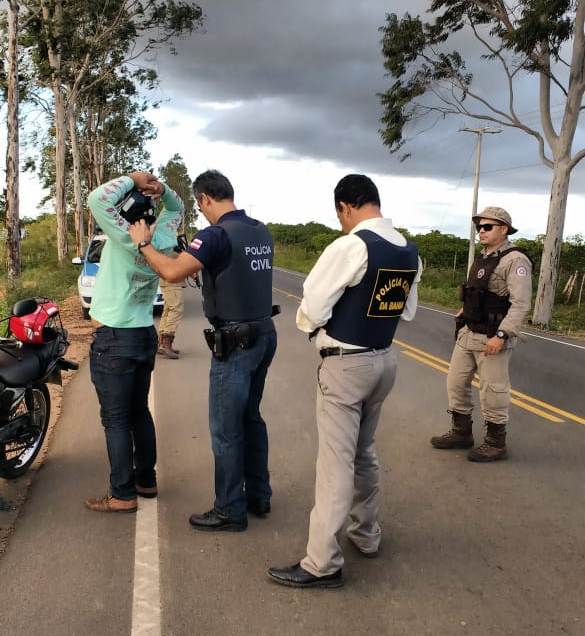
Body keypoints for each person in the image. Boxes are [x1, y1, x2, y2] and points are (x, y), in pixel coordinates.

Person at [268, 174, 422, 589]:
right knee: (363, 452)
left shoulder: (351, 246)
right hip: (383, 361)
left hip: (346, 365)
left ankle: (322, 563)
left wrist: (312, 330)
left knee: (335, 464)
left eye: (339, 215)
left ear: (345, 207)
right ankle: (366, 534)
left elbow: (313, 307)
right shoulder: (409, 250)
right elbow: (407, 311)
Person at [128, 170, 277, 532]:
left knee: (226, 429)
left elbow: (172, 272)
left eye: (200, 206)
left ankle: (229, 509)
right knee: (251, 418)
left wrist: (144, 243)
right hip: (264, 334)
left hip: (235, 342)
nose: (202, 212)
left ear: (206, 199)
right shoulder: (259, 230)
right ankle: (258, 495)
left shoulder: (215, 235)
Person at [85, 172, 184, 513]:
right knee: (139, 411)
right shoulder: (163, 238)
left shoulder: (125, 235)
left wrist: (133, 178)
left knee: (115, 419)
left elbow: (97, 199)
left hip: (114, 337)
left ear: (124, 214)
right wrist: (163, 189)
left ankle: (122, 494)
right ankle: (146, 480)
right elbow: (177, 208)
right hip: (143, 333)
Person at [430, 207, 532, 462]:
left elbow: (520, 304)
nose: (481, 231)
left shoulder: (515, 260)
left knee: (493, 390)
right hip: (468, 332)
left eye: (487, 226)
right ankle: (461, 432)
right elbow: (479, 292)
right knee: (455, 383)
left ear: (504, 229)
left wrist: (502, 335)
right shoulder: (483, 256)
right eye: (479, 227)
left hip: (492, 336)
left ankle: (496, 443)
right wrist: (465, 310)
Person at [157, 274, 185, 359]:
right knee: (176, 310)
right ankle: (166, 344)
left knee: (168, 310)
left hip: (168, 279)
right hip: (173, 280)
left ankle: (162, 344)